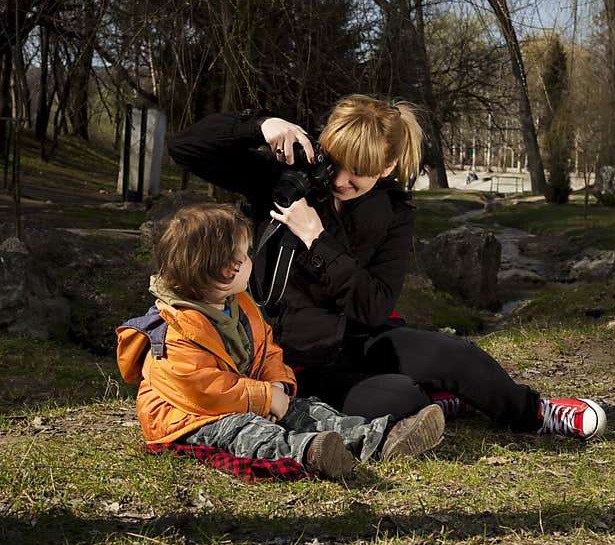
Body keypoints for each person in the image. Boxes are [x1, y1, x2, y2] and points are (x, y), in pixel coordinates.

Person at [167, 95, 606, 440]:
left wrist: (316, 240)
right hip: (274, 358)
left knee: (454, 353)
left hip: (351, 343)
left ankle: (537, 414)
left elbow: (374, 307)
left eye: (359, 171)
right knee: (400, 399)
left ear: (388, 166)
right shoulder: (287, 178)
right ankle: (437, 399)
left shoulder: (393, 214)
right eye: (336, 162)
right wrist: (262, 124)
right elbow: (185, 147)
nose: (340, 180)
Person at [115, 203, 445, 481]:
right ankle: (312, 453)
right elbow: (206, 390)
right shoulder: (171, 332)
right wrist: (263, 399)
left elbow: (267, 348)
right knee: (246, 433)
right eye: (245, 255)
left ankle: (380, 439)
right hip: (193, 418)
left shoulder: (240, 303)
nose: (250, 260)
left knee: (309, 409)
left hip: (251, 395)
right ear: (228, 270)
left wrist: (279, 386)